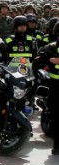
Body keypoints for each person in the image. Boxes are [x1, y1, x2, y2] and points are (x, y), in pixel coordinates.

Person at [33, 21, 59, 154]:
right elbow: (36, 64)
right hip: (55, 87)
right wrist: (49, 60)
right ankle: (57, 144)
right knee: (55, 115)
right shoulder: (50, 48)